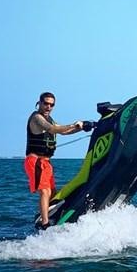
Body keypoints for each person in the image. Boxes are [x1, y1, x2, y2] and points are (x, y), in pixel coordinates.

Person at [26, 91, 86, 229]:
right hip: (35, 161)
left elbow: (63, 131)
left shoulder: (50, 119)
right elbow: (53, 129)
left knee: (52, 193)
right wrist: (74, 124)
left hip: (46, 162)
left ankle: (50, 216)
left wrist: (82, 128)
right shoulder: (36, 118)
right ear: (39, 103)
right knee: (44, 192)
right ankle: (45, 224)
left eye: (51, 105)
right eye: (46, 103)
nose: (48, 107)